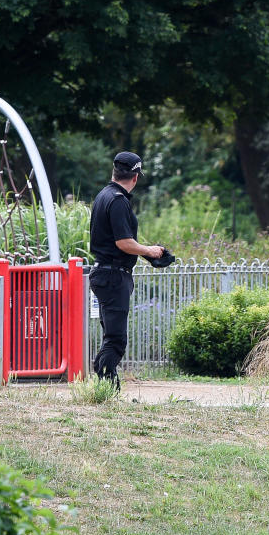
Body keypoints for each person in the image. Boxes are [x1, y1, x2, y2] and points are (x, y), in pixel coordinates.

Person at [89, 151, 165, 391]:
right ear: (135, 177)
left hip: (104, 273)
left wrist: (145, 252)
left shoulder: (103, 196)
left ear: (115, 172)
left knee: (111, 335)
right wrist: (150, 251)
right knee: (116, 339)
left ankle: (104, 384)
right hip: (113, 277)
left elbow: (118, 242)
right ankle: (106, 384)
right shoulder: (119, 201)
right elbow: (123, 243)